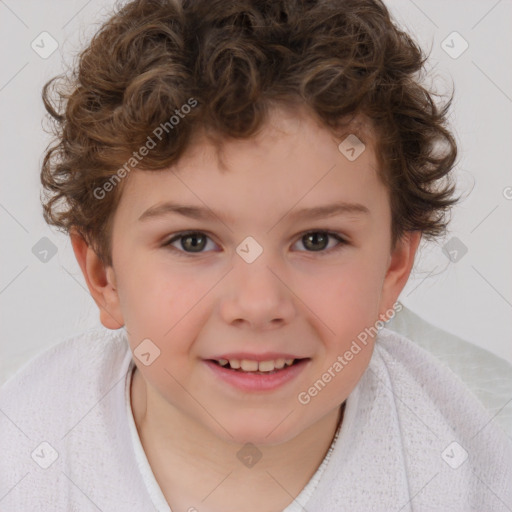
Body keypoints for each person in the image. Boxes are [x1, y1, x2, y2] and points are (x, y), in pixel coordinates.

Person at [1, 0, 511, 510]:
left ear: (393, 268)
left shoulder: (480, 462)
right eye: (192, 241)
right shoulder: (23, 457)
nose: (259, 302)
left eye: (317, 240)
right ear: (102, 276)